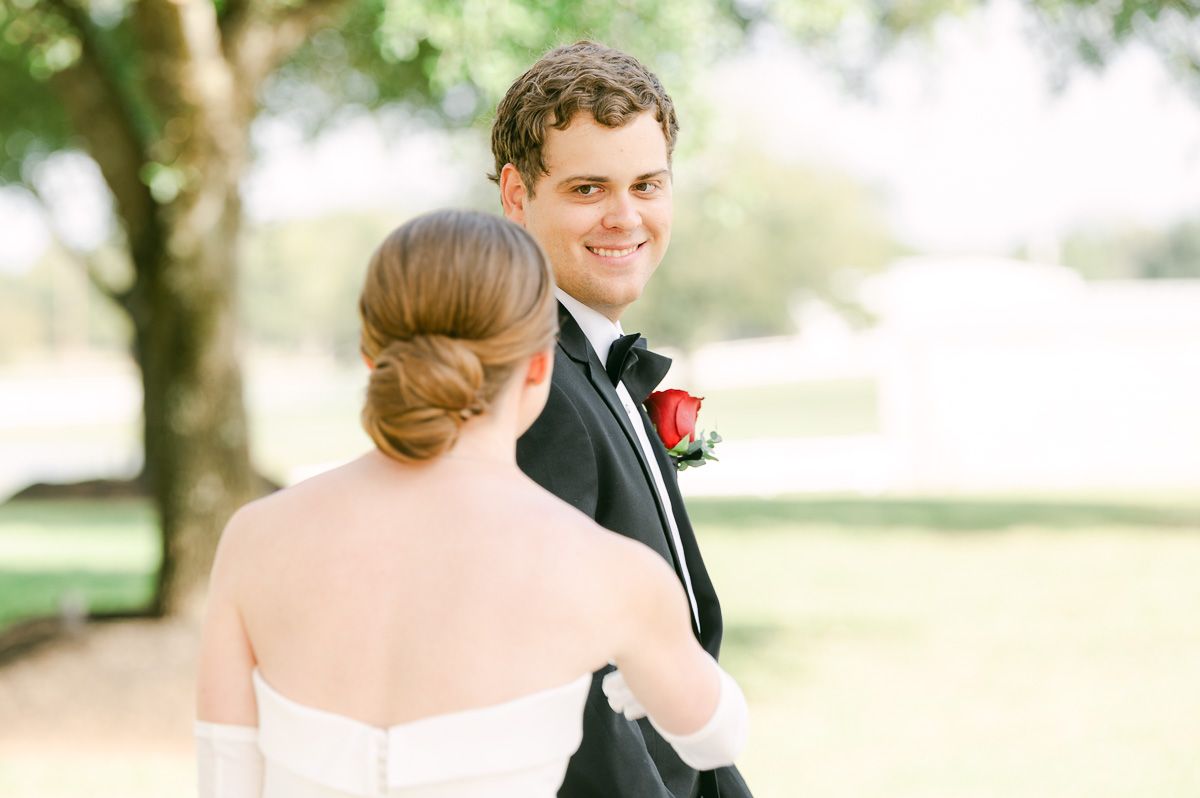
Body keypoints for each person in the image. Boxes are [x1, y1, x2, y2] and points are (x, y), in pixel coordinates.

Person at [194, 209, 748, 798]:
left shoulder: (254, 538)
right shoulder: (609, 570)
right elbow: (716, 739)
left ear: (371, 358)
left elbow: (226, 781)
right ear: (539, 365)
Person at [492, 42, 754, 798]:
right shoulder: (533, 386)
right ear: (517, 195)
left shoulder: (584, 360)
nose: (625, 216)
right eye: (588, 189)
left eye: (647, 185)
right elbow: (569, 675)